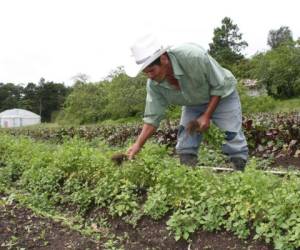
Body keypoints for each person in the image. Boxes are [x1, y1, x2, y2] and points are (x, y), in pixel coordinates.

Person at [124, 34, 248, 170]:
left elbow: (219, 85)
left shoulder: (193, 57)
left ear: (164, 58)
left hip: (223, 95)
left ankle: (240, 176)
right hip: (193, 104)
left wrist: (206, 116)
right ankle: (189, 177)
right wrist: (138, 145)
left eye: (152, 70)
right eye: (146, 73)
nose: (150, 77)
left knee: (232, 137)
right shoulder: (154, 85)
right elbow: (152, 118)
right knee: (185, 142)